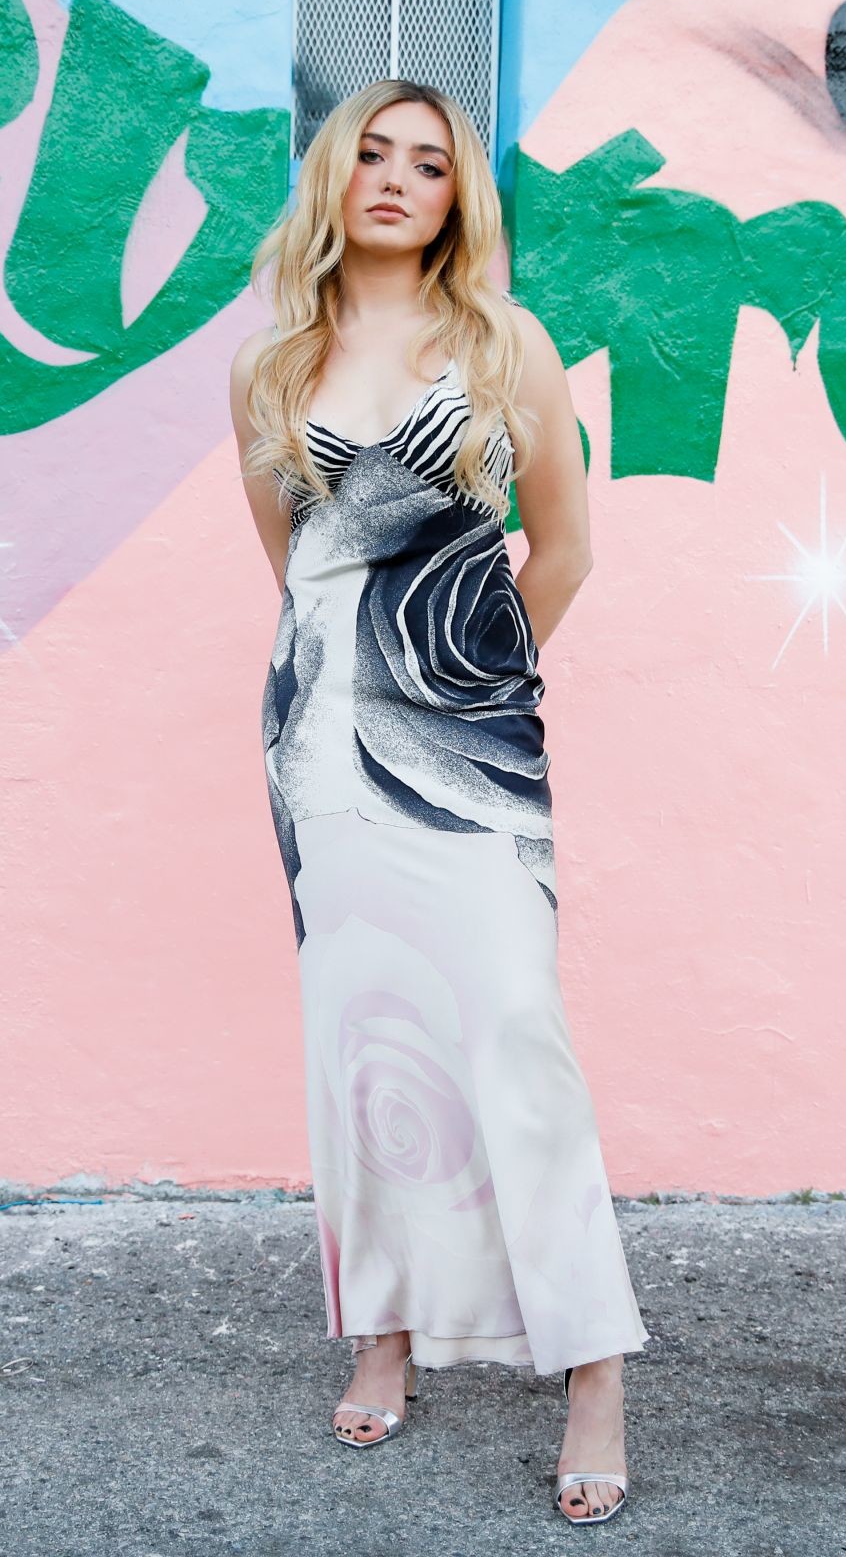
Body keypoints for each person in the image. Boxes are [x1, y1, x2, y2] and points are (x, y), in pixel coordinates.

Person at [229, 77, 650, 1526]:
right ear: (335, 181)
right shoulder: (269, 367)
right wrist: (349, 694)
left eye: (429, 163)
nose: (398, 179)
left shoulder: (503, 343)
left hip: (469, 747)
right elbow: (297, 567)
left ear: (456, 197)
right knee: (364, 1041)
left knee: (515, 1030)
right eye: (374, 155)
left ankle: (593, 1364)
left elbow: (564, 549)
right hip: (318, 750)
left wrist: (470, 681)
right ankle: (387, 1325)